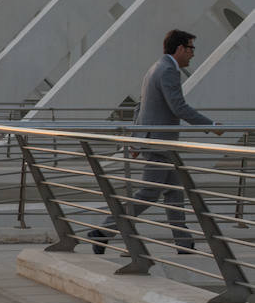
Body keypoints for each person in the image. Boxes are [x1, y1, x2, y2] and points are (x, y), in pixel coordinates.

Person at [88, 29, 222, 255]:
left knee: (173, 192)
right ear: (179, 48)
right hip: (160, 144)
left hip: (158, 142)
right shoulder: (169, 71)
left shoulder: (155, 67)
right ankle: (103, 231)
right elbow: (178, 107)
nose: (192, 55)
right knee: (148, 194)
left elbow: (140, 107)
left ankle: (183, 242)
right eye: (191, 49)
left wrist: (136, 139)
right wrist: (210, 126)